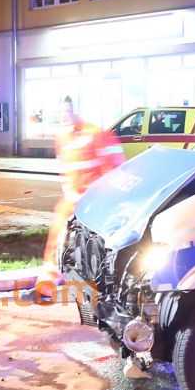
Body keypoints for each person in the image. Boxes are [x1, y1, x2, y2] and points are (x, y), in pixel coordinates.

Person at [42, 95, 126, 278]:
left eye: (68, 111)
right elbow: (65, 168)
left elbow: (115, 169)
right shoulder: (63, 137)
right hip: (73, 201)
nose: (64, 116)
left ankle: (102, 289)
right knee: (58, 239)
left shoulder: (96, 134)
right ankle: (45, 287)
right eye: (61, 112)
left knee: (97, 248)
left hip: (94, 204)